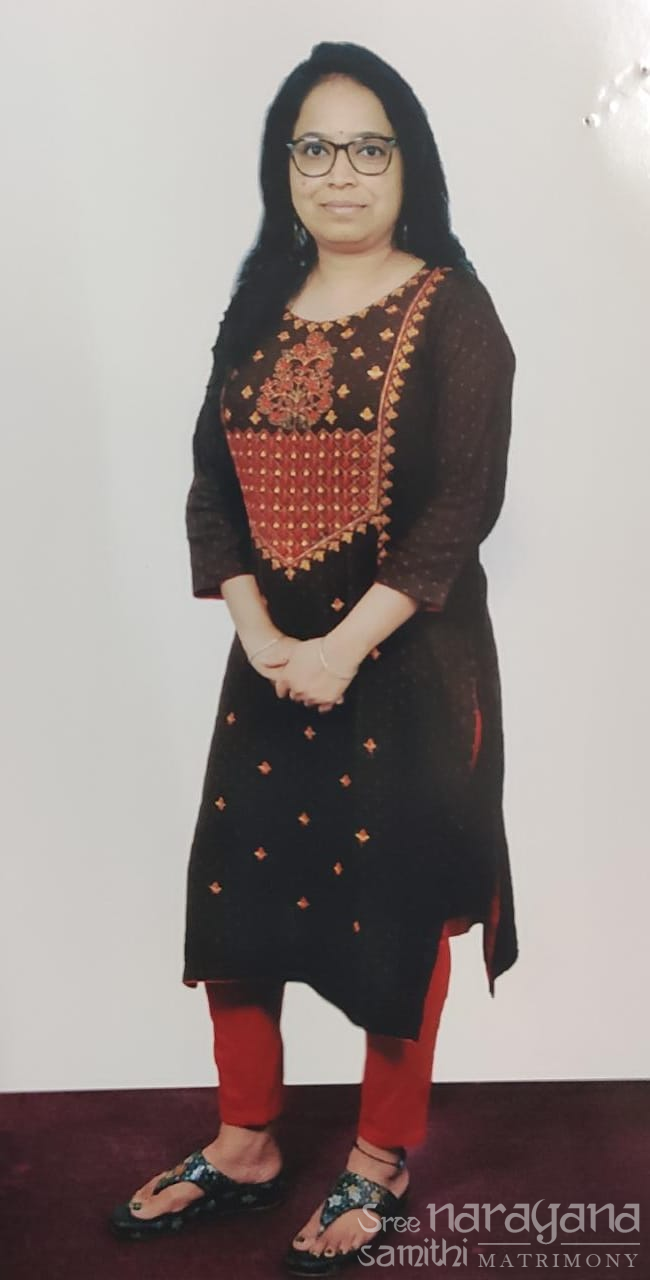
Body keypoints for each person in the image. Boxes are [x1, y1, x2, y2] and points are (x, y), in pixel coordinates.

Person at [109, 39, 518, 1274]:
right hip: (274, 666)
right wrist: (260, 635)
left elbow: (459, 506)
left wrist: (339, 647)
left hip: (407, 667)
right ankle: (245, 1139)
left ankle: (379, 1154)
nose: (340, 172)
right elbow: (211, 492)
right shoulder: (256, 309)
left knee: (397, 908)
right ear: (282, 167)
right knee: (235, 897)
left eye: (367, 147)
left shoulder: (452, 310)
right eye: (315, 147)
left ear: (409, 163)